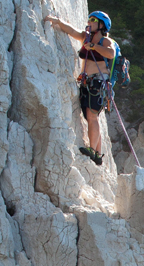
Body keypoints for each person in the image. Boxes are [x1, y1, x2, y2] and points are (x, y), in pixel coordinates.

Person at [44, 10, 117, 166]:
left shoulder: (104, 41)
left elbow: (111, 53)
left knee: (92, 116)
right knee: (91, 116)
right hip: (87, 82)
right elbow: (72, 31)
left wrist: (94, 47)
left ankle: (93, 150)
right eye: (89, 19)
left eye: (92, 19)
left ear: (101, 24)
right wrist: (57, 21)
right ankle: (97, 153)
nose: (89, 21)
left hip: (97, 83)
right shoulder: (86, 37)